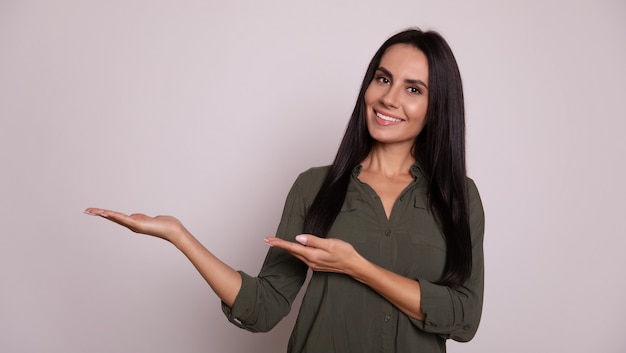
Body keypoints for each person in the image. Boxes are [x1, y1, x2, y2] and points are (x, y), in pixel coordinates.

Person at [85, 28, 485, 353]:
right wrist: (178, 235)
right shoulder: (314, 187)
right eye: (383, 78)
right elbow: (264, 307)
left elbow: (464, 317)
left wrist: (356, 267)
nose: (389, 98)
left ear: (438, 106)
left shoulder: (458, 198)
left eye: (413, 89)